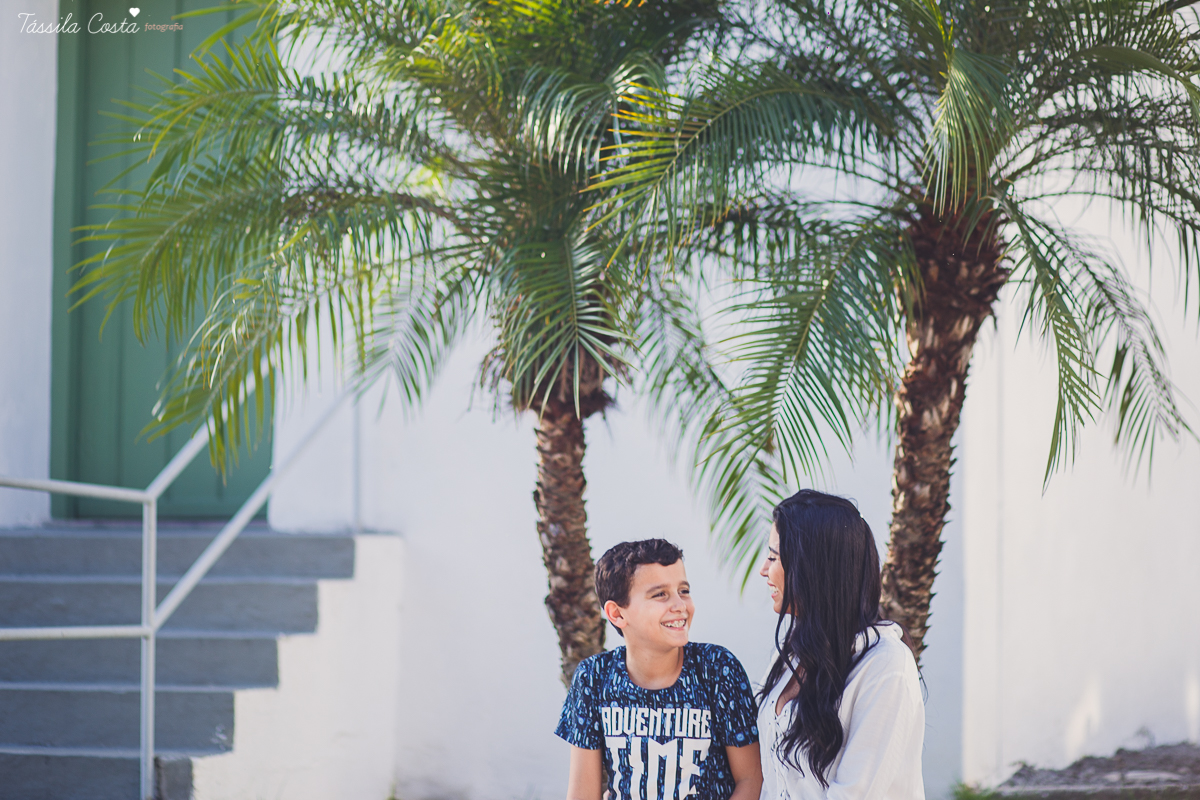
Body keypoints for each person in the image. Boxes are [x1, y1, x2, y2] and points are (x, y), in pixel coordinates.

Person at [557, 539, 763, 800]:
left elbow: (751, 778)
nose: (680, 605)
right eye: (660, 594)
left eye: (684, 590)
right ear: (617, 614)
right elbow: (582, 793)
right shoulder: (594, 677)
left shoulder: (717, 669)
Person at [757, 490, 924, 800]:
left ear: (812, 567)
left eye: (773, 557)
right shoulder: (793, 653)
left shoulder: (887, 666)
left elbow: (854, 794)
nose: (763, 571)